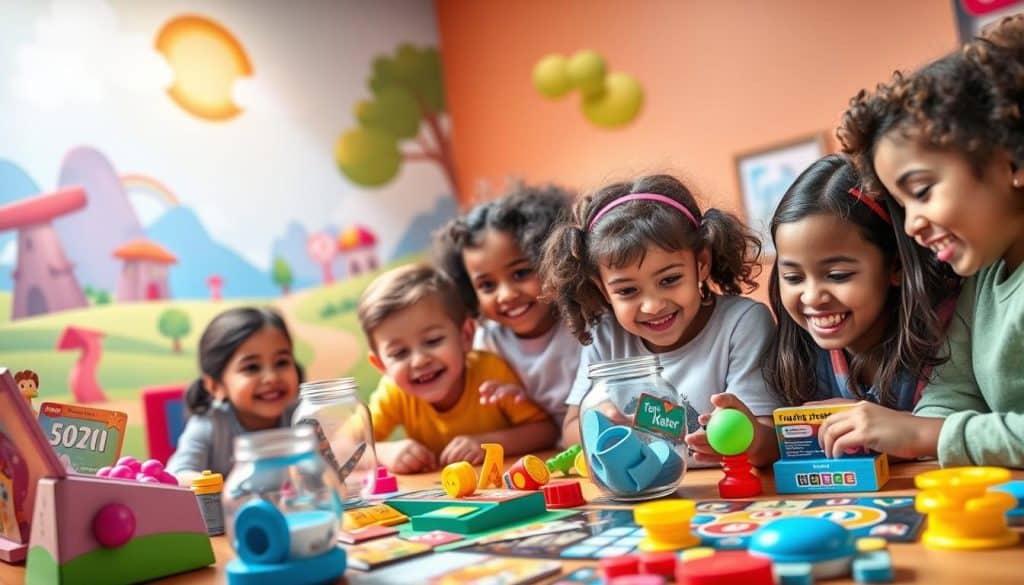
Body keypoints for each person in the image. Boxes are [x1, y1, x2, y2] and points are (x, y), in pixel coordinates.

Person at [831, 14, 1024, 467]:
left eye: (921, 191)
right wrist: (893, 436)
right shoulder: (985, 277)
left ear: (1013, 161)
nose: (912, 226)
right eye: (902, 205)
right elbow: (953, 391)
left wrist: (925, 434)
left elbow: (936, 432)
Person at [542, 174, 781, 466]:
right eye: (627, 291)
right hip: (642, 488)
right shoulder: (605, 335)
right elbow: (570, 431)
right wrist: (600, 422)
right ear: (603, 289)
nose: (653, 306)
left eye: (669, 280)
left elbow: (772, 443)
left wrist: (746, 439)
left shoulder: (742, 323)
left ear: (701, 263)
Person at [358, 263, 557, 474]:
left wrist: (486, 444)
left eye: (433, 341)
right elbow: (343, 448)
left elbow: (546, 432)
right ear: (380, 364)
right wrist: (384, 453)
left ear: (466, 335)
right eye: (399, 353)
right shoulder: (393, 393)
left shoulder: (490, 372)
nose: (419, 361)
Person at [435, 182, 579, 432]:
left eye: (520, 273)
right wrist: (510, 402)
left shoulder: (582, 323)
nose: (507, 295)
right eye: (487, 285)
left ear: (553, 261)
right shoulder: (487, 343)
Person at [167, 307, 302, 483]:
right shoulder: (210, 425)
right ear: (215, 386)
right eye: (252, 367)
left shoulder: (303, 416)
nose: (271, 377)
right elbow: (177, 476)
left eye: (282, 362)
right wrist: (223, 490)